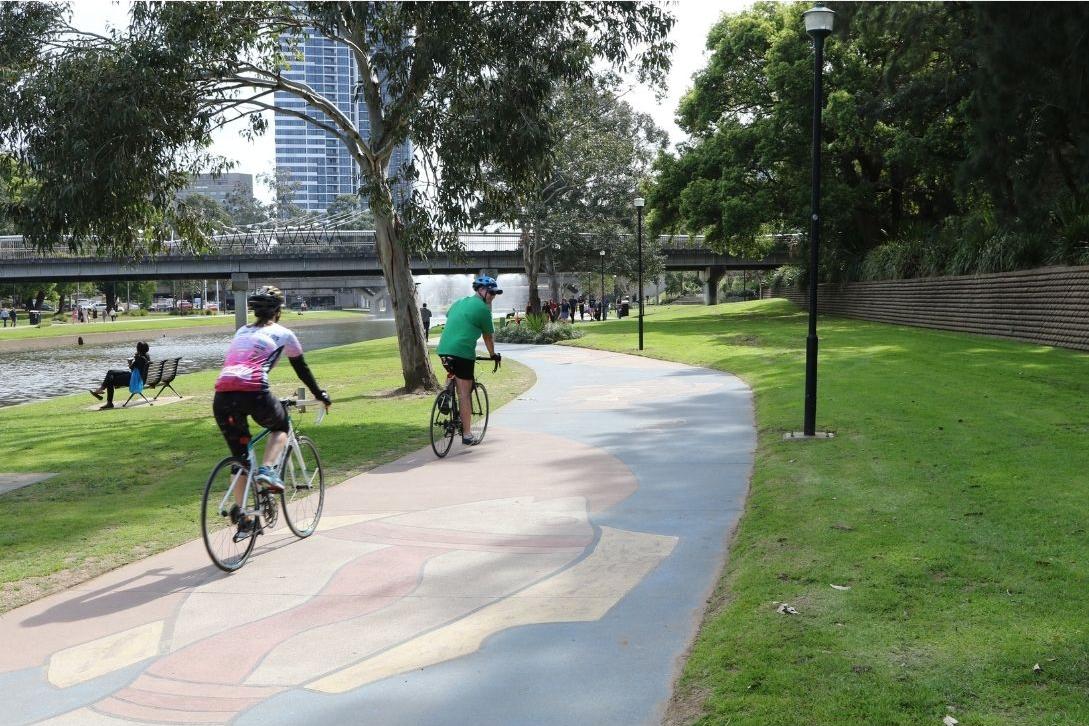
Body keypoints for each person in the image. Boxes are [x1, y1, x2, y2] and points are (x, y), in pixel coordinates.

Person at [213, 286, 332, 535]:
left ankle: (245, 517)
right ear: (278, 312)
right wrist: (319, 394)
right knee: (279, 426)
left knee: (241, 457)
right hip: (254, 392)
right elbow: (302, 368)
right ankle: (267, 470)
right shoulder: (284, 334)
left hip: (223, 396)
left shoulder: (242, 331)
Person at [436, 275, 502, 447]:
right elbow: (488, 337)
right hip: (463, 352)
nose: (493, 296)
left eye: (495, 294)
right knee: (464, 394)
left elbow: (449, 315)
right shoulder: (483, 310)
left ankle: (446, 396)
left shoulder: (459, 302)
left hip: (443, 349)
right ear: (481, 291)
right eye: (491, 293)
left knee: (452, 371)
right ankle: (466, 434)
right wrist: (493, 354)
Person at [90, 341, 151, 410]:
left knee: (111, 379)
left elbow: (131, 368)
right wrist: (136, 358)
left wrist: (131, 361)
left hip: (134, 380)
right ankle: (101, 389)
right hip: (138, 378)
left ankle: (105, 397)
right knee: (111, 372)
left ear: (138, 349)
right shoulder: (147, 356)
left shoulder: (140, 358)